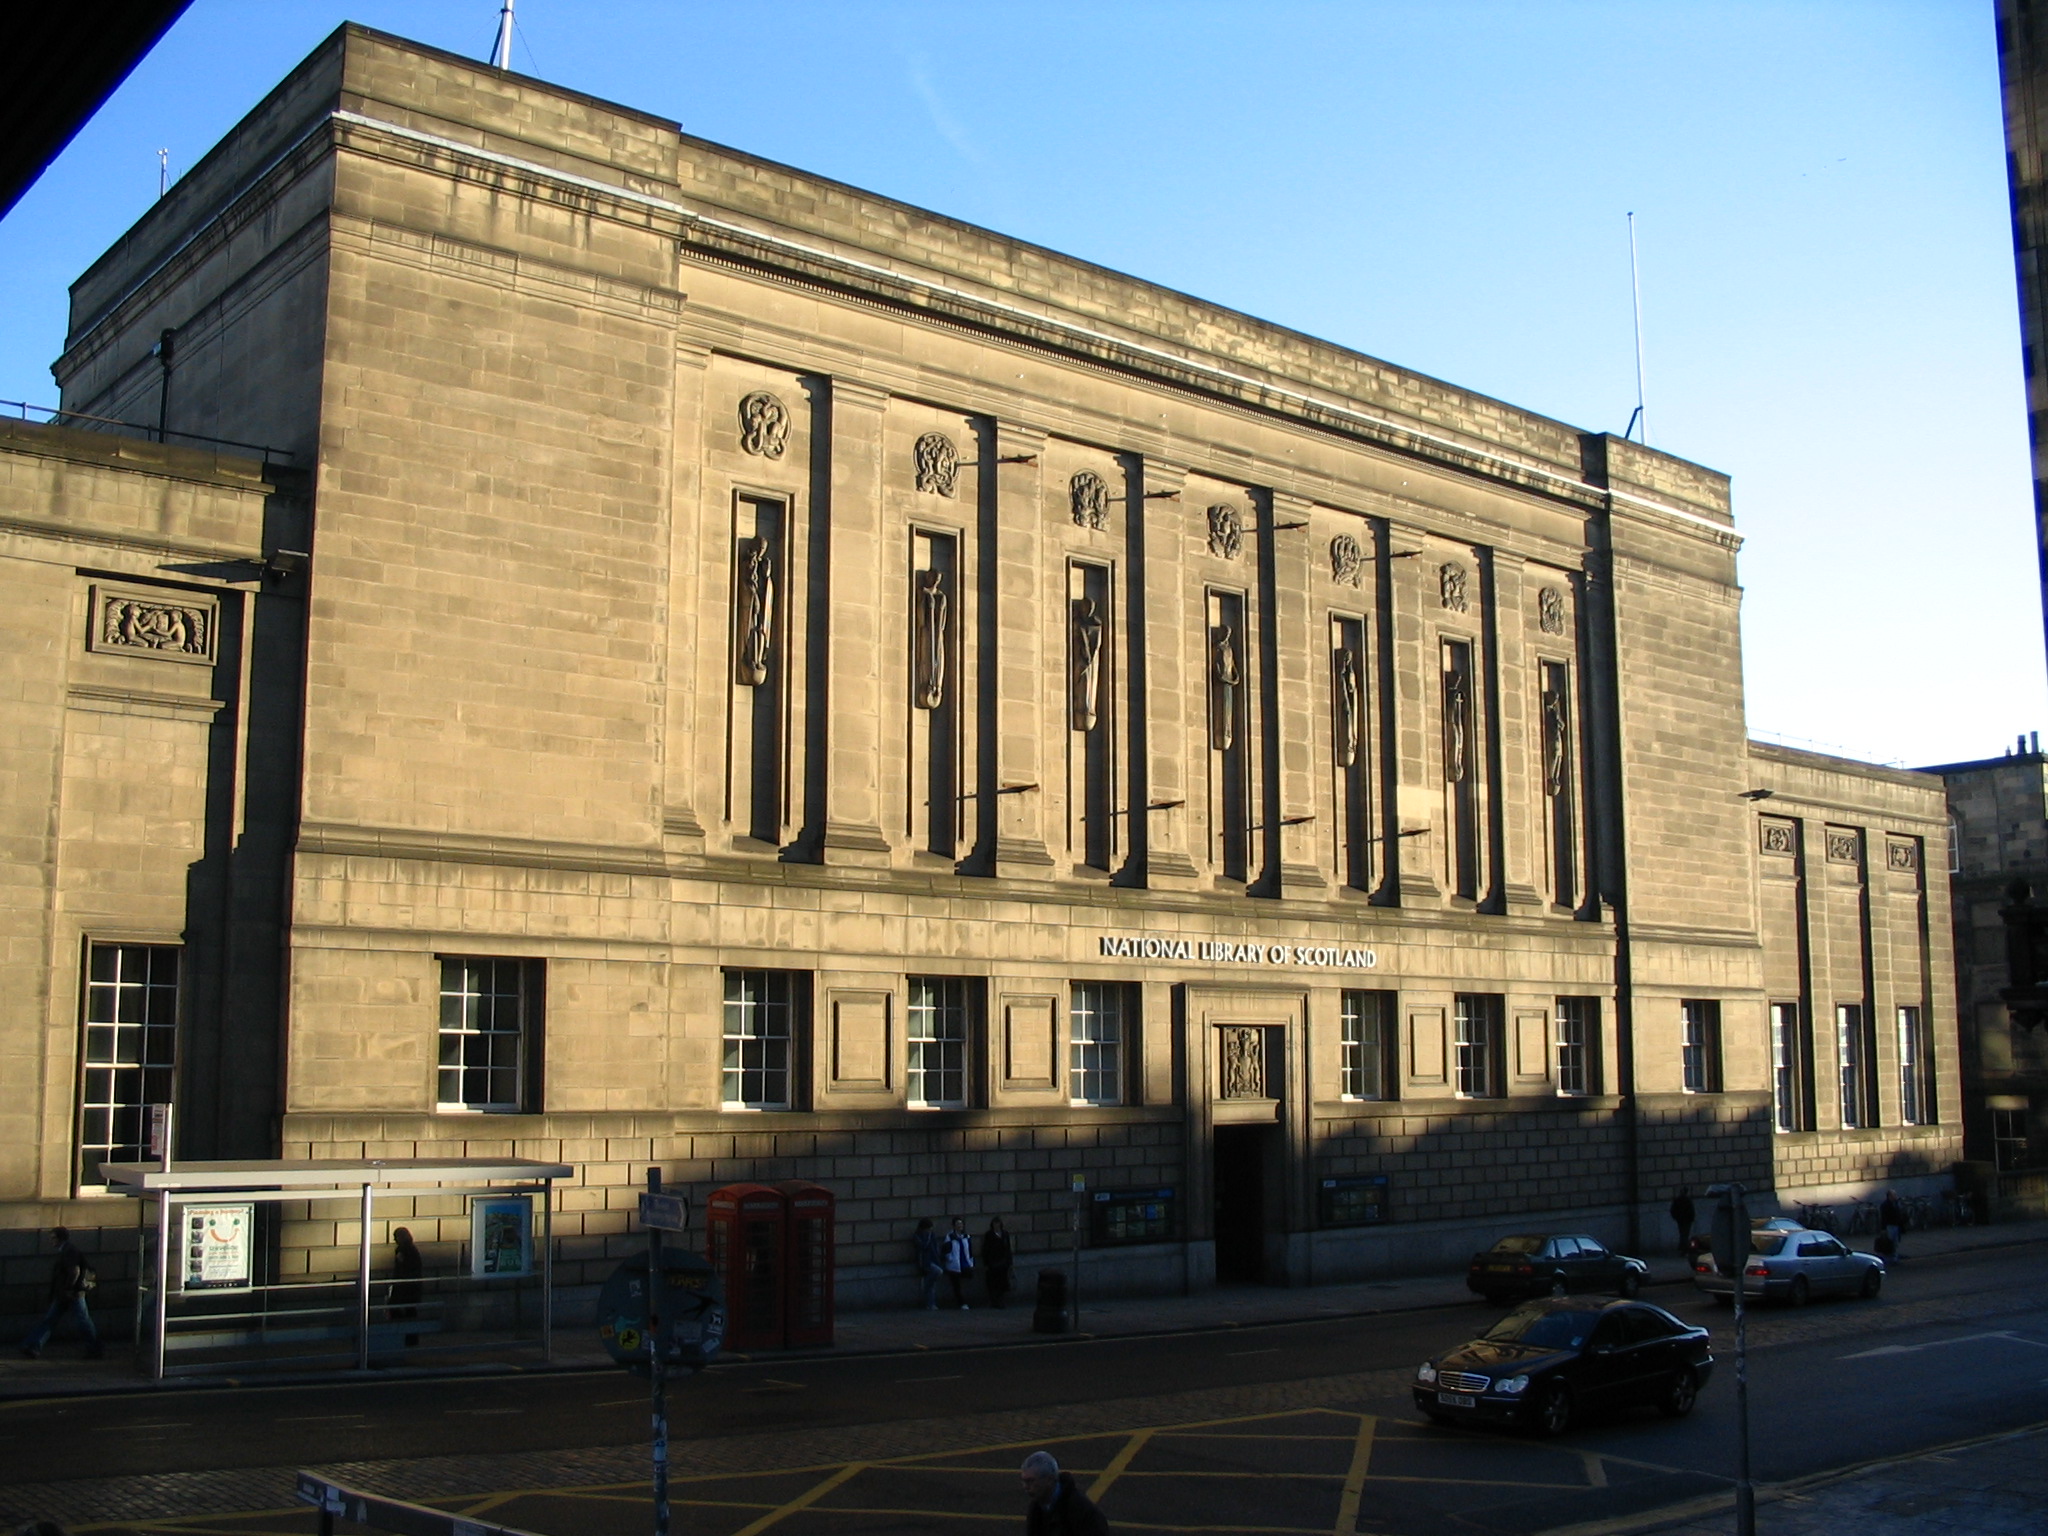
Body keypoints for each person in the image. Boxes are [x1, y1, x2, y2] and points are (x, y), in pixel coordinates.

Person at [20, 1228, 100, 1360]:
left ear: (59, 1238)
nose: (51, 1241)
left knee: (80, 1321)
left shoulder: (69, 1251)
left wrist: (67, 1289)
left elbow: (75, 1271)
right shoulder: (68, 1250)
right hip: (68, 1293)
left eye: (53, 1238)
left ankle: (94, 1348)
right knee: (54, 1320)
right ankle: (33, 1346)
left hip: (71, 1294)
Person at [1021, 1450, 1108, 1536]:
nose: (1025, 1486)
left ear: (1049, 1480)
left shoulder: (1082, 1512)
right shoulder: (1036, 1508)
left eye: (1031, 1481)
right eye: (1024, 1481)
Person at [388, 1226, 424, 1346]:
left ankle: (402, 1337)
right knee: (410, 1312)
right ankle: (410, 1339)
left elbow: (400, 1269)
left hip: (404, 1288)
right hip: (411, 1288)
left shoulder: (403, 1250)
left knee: (397, 1310)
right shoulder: (411, 1249)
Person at [942, 1217, 975, 1309]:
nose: (959, 1226)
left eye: (961, 1224)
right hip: (954, 1264)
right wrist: (950, 1259)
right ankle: (961, 1302)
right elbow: (946, 1250)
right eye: (957, 1224)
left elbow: (969, 1251)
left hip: (964, 1263)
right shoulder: (950, 1237)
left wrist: (971, 1262)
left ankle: (965, 1301)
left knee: (966, 1280)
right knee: (956, 1284)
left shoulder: (966, 1236)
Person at [983, 1217, 1015, 1309]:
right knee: (993, 1283)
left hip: (1003, 1262)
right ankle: (994, 1301)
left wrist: (1010, 1262)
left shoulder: (1005, 1234)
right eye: (995, 1224)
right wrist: (986, 1263)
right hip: (993, 1263)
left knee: (1002, 1283)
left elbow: (1008, 1249)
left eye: (998, 1223)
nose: (996, 1225)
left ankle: (1000, 1300)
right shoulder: (989, 1235)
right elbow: (986, 1249)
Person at [913, 1217, 942, 1310]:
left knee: (931, 1286)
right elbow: (923, 1246)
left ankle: (931, 1304)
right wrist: (928, 1236)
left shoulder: (932, 1235)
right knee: (936, 1275)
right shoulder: (917, 1236)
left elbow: (935, 1248)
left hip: (932, 1260)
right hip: (925, 1262)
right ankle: (930, 1303)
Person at [1669, 1189, 1696, 1257]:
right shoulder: (1687, 1200)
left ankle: (1682, 1249)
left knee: (1682, 1234)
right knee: (1685, 1235)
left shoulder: (1677, 1200)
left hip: (1680, 1220)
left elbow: (1673, 1210)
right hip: (1686, 1220)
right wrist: (1691, 1218)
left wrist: (1676, 1217)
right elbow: (1691, 1210)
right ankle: (1684, 1249)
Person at [1879, 1190, 1906, 1259]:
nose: (1896, 1196)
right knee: (1889, 1243)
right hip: (1890, 1226)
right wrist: (1883, 1228)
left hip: (1896, 1225)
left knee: (1895, 1243)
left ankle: (1894, 1257)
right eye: (1894, 1195)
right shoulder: (1885, 1205)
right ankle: (1889, 1257)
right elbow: (1883, 1217)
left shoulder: (1896, 1203)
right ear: (1890, 1196)